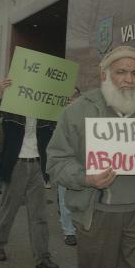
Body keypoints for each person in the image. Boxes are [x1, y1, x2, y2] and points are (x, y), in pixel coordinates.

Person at [47, 46, 135, 268]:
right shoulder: (77, 111)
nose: (128, 79)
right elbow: (56, 162)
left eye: (134, 73)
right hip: (97, 215)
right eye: (121, 72)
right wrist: (85, 178)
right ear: (104, 75)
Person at [0, 78, 59, 268]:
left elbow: (61, 125)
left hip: (37, 164)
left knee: (39, 214)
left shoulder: (45, 112)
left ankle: (42, 257)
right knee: (8, 209)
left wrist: (64, 105)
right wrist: (0, 96)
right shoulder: (13, 108)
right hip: (16, 164)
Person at [57, 86, 81, 246]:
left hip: (82, 163)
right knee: (65, 197)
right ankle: (69, 231)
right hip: (64, 163)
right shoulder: (56, 115)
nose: (71, 99)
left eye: (74, 96)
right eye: (68, 97)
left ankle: (79, 226)